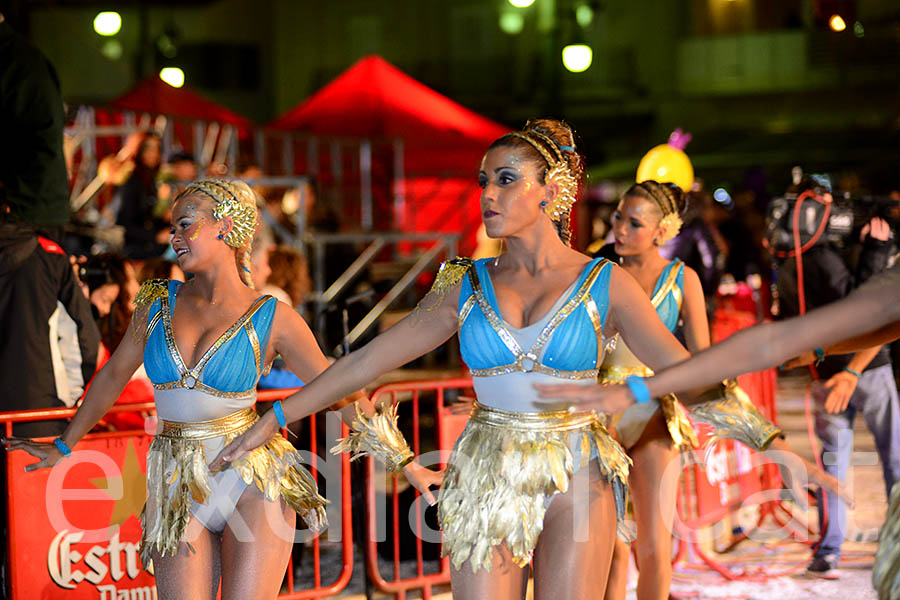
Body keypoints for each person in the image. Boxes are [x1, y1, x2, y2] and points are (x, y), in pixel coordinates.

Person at [209, 120, 726, 600]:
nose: (489, 194)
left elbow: (687, 370)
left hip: (578, 471)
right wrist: (278, 416)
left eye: (506, 179)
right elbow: (361, 364)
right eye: (483, 181)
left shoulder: (604, 281)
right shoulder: (464, 283)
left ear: (551, 190)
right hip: (486, 473)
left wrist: (753, 406)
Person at [2, 179, 428, 599]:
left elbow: (339, 389)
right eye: (173, 228)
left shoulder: (273, 316)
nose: (175, 237)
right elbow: (113, 375)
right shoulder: (157, 301)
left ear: (225, 226)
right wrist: (64, 442)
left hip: (252, 477)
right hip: (177, 482)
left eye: (186, 224)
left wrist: (405, 461)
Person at [597, 180, 708, 600]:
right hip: (599, 415)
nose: (620, 231)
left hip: (653, 416)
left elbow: (705, 361)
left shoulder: (683, 280)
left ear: (662, 231)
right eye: (617, 219)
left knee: (654, 546)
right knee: (609, 546)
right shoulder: (598, 273)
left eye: (634, 223)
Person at [0, 12, 70, 243]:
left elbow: (37, 143)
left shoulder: (18, 63)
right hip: (27, 214)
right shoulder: (20, 60)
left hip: (23, 219)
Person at [114, 131, 168, 259]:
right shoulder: (130, 179)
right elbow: (125, 223)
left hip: (145, 243)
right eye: (148, 148)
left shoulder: (150, 178)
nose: (153, 153)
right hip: (133, 249)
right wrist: (156, 236)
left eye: (157, 149)